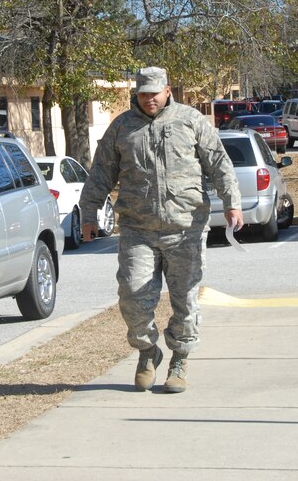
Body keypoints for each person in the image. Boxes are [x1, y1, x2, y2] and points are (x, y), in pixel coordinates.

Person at [79, 66, 243, 393]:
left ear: (167, 90)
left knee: (185, 300)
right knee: (131, 295)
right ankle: (147, 351)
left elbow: (219, 163)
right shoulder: (123, 127)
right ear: (136, 93)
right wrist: (88, 212)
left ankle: (179, 359)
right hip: (137, 228)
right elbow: (101, 172)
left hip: (186, 227)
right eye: (143, 93)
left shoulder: (191, 120)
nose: (149, 99)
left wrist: (232, 201)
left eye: (154, 93)